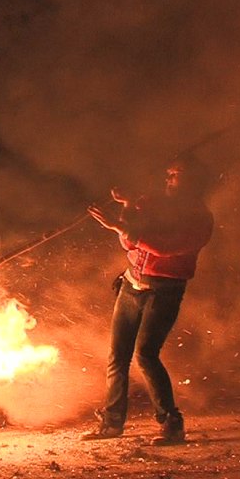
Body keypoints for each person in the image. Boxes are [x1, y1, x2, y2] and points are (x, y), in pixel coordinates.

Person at [81, 156, 215, 446]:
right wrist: (128, 206)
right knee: (118, 355)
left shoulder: (199, 218)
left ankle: (171, 423)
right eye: (169, 173)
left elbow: (165, 247)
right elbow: (130, 242)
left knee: (145, 354)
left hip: (164, 291)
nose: (168, 178)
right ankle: (112, 422)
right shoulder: (157, 205)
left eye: (176, 174)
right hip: (131, 285)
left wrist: (119, 226)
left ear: (194, 180)